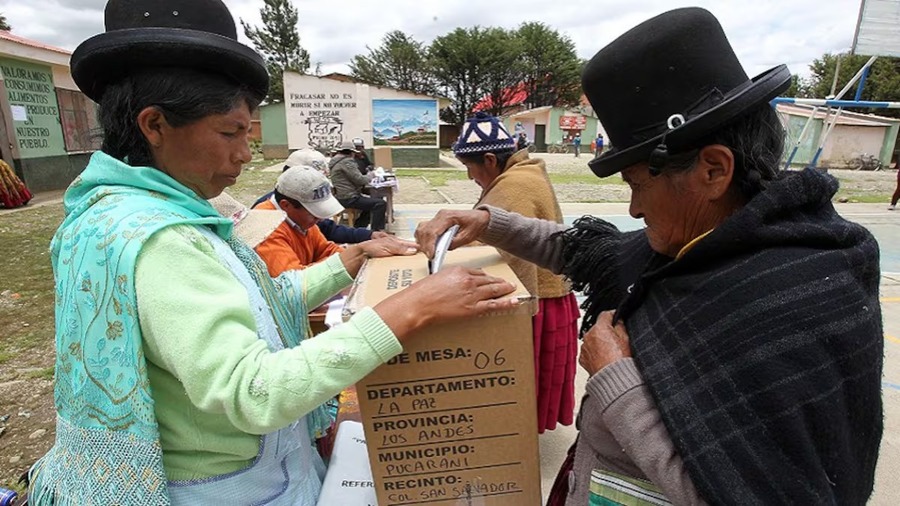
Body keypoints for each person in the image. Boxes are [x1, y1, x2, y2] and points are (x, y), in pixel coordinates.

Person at [28, 1, 520, 503]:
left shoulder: (126, 216)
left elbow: (257, 302)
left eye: (247, 133)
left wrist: (352, 257)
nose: (245, 153)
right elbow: (253, 390)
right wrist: (411, 307)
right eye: (230, 132)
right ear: (154, 125)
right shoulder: (160, 240)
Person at [416, 8, 883, 505]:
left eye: (638, 184)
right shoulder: (705, 245)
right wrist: (489, 222)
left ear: (713, 171)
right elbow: (591, 253)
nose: (634, 208)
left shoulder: (787, 299)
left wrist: (615, 380)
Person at [453, 112, 580, 434]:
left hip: (535, 300)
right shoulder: (524, 174)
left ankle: (513, 435)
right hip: (550, 290)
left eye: (470, 169)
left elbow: (507, 254)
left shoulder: (514, 187)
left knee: (522, 377)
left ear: (490, 160)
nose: (470, 178)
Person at [254, 166, 397, 276]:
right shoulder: (265, 228)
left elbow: (326, 250)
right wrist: (357, 255)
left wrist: (358, 257)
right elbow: (295, 283)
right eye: (314, 214)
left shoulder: (301, 220)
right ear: (286, 205)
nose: (320, 220)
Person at [253, 151, 386, 243]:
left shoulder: (305, 219)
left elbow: (327, 233)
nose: (318, 219)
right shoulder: (266, 222)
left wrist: (369, 236)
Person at [330, 141, 387, 231]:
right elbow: (361, 180)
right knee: (380, 203)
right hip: (349, 198)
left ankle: (359, 227)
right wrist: (372, 175)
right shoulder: (346, 162)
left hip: (342, 196)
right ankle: (376, 231)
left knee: (372, 202)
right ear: (352, 152)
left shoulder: (336, 161)